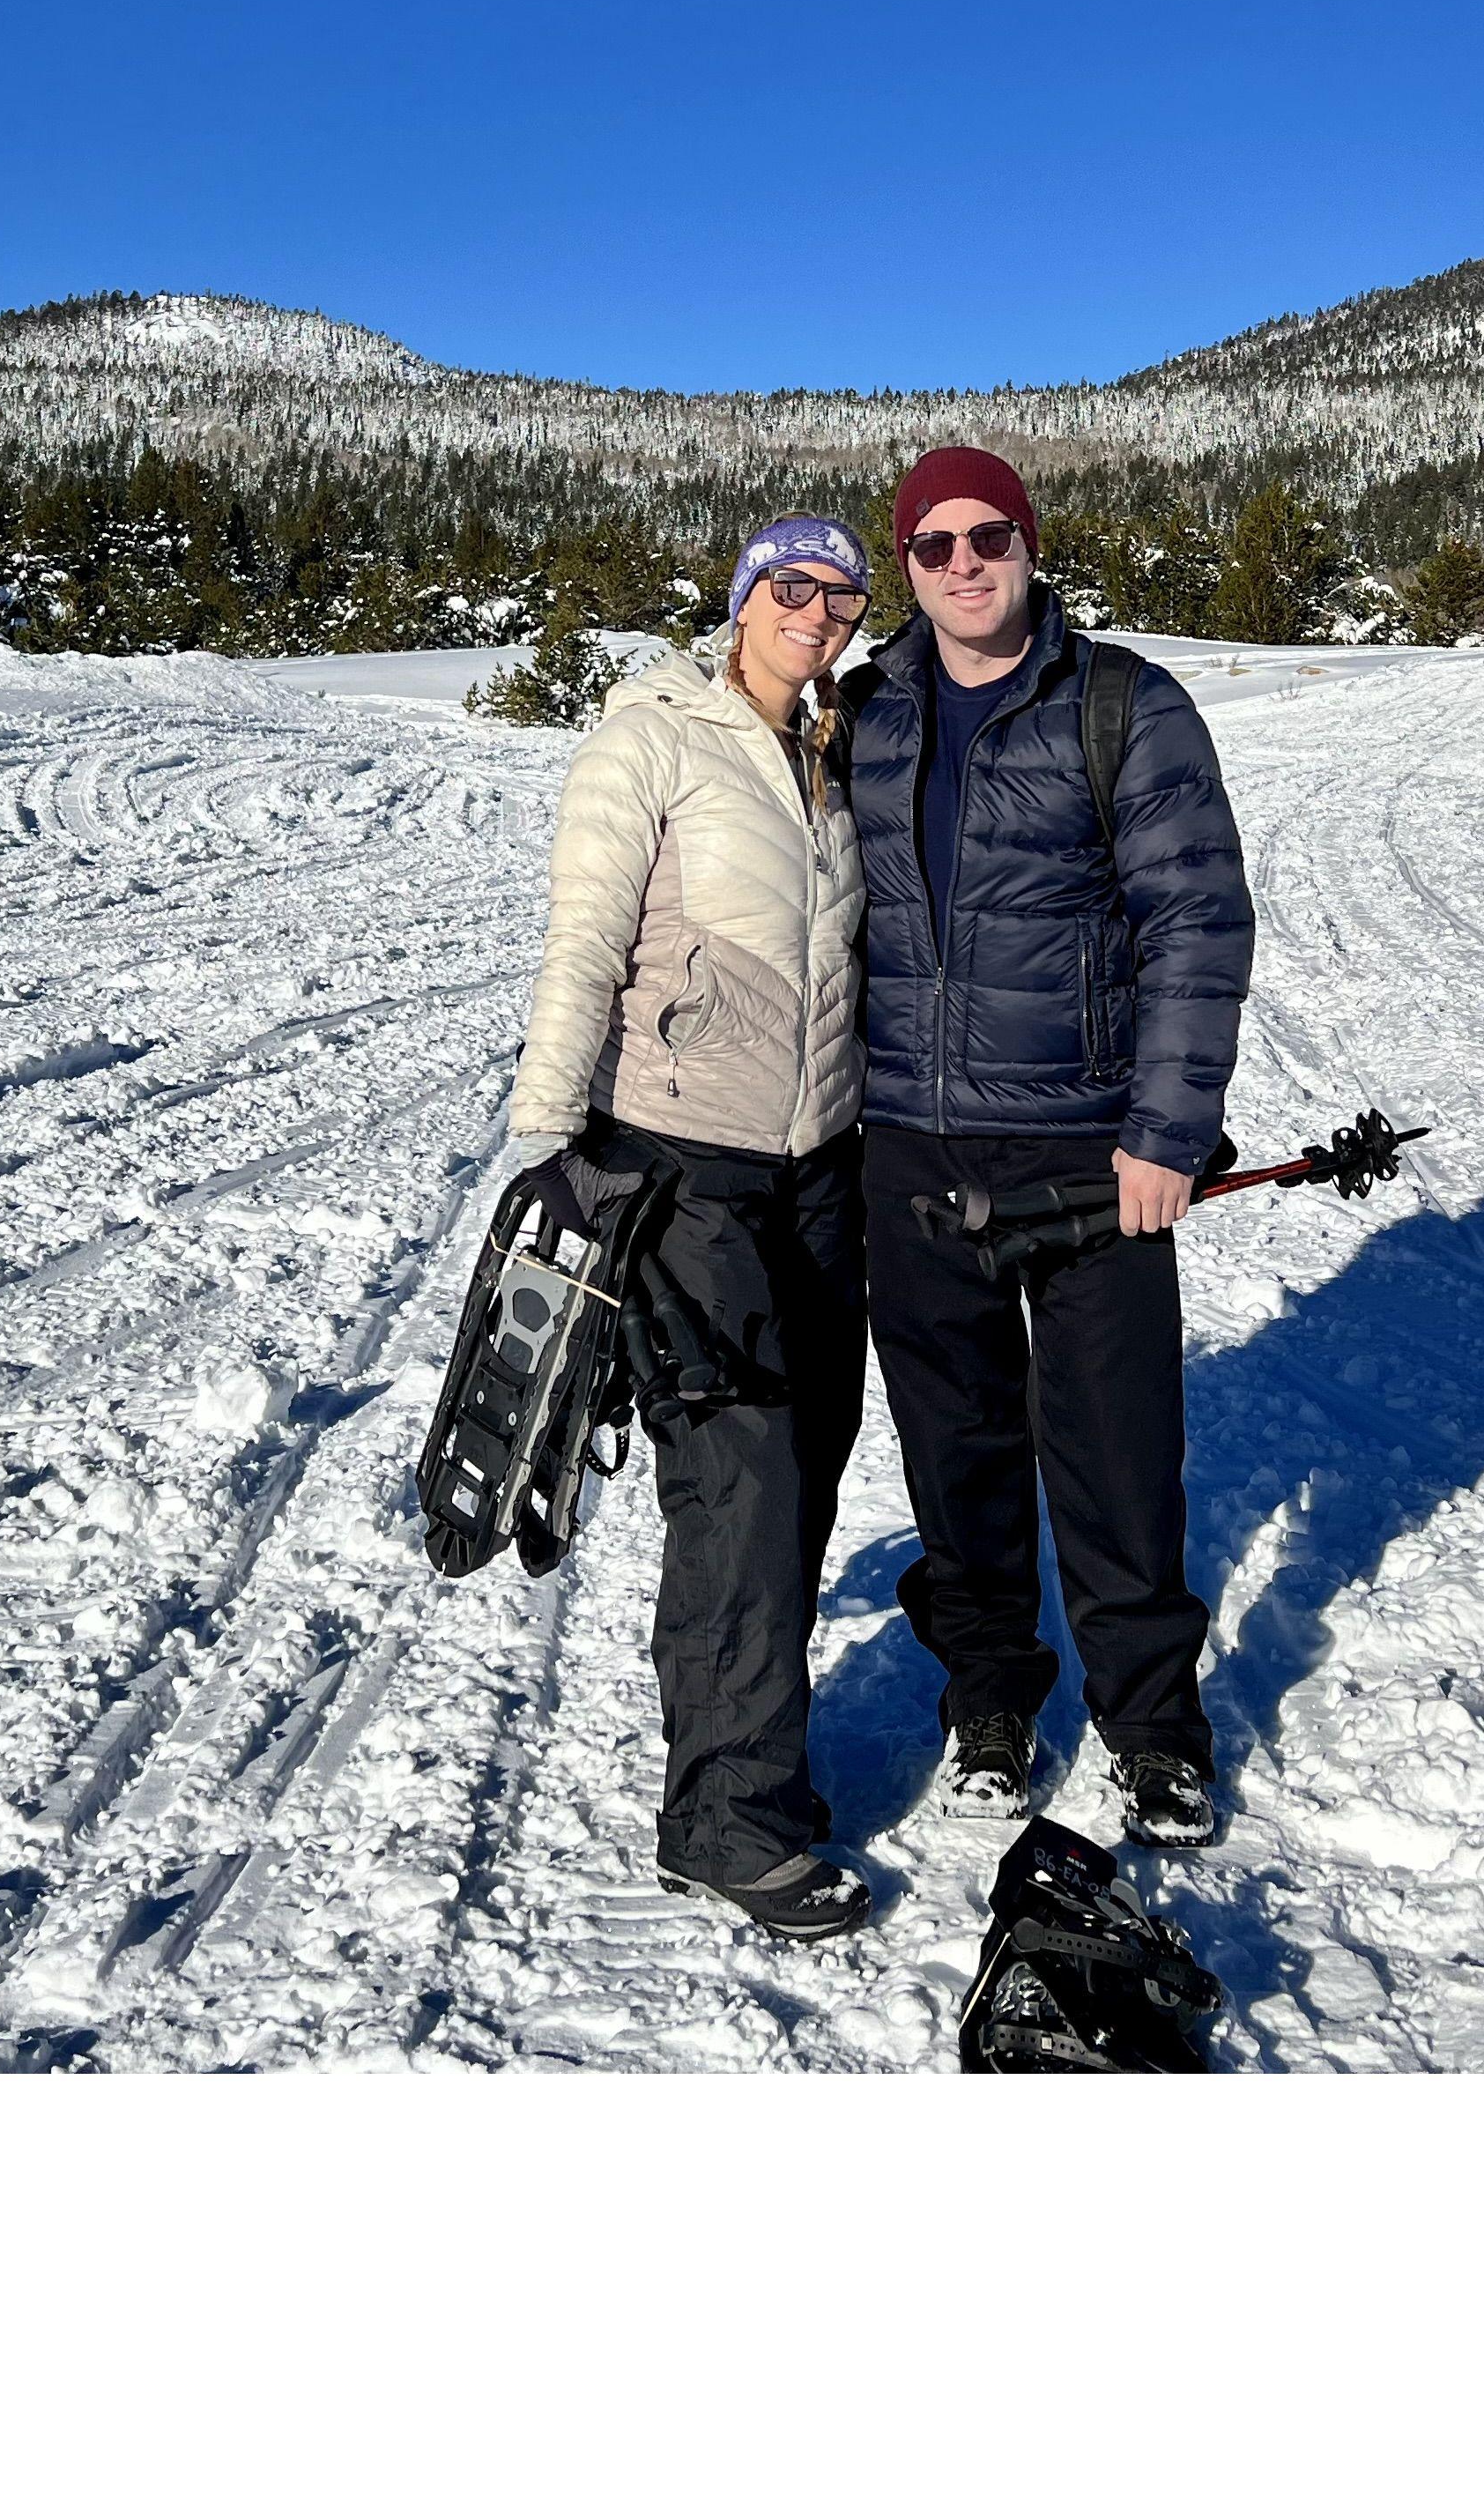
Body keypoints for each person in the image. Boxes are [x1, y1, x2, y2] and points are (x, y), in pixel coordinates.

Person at [845, 447, 1255, 1846]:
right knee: (954, 1451)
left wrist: (1170, 1131)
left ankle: (1153, 1726)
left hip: (1089, 1152)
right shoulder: (864, 714)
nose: (964, 564)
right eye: (933, 545)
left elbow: (1197, 923)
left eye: (989, 537)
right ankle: (990, 1702)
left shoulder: (1126, 705)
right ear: (902, 567)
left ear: (1030, 545)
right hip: (903, 1143)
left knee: (1117, 1451)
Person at [506, 514, 877, 1940]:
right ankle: (725, 1819)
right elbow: (583, 941)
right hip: (679, 1164)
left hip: (818, 1166)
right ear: (741, 601)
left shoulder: (823, 751)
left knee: (815, 1456)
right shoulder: (651, 737)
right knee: (740, 1482)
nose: (821, 612)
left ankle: (752, 1751)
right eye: (795, 588)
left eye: (844, 595)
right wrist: (553, 1144)